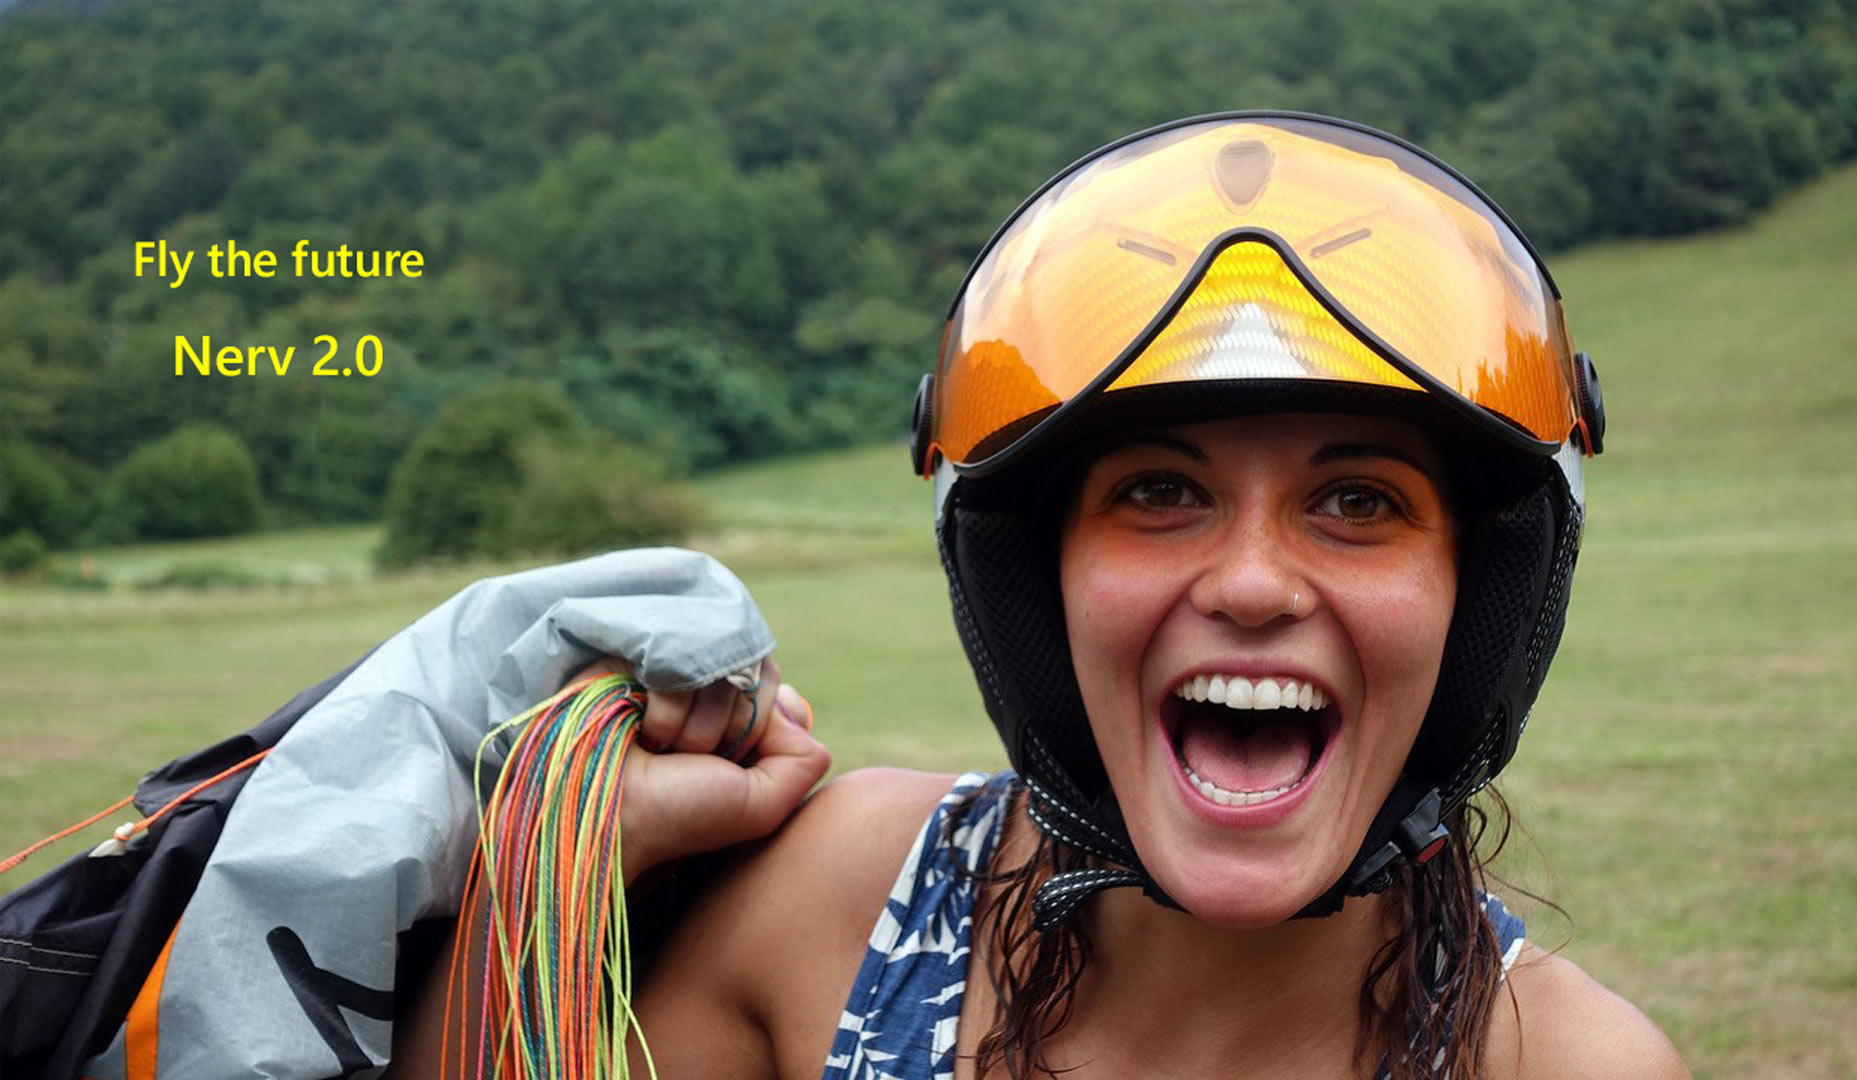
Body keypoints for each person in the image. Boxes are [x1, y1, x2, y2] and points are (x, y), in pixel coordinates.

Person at [394, 112, 1686, 1079]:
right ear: (1036, 576)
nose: (1248, 582)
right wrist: (549, 870)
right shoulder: (834, 908)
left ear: (1476, 592)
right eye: (1157, 494)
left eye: (1357, 501)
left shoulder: (1568, 1064)